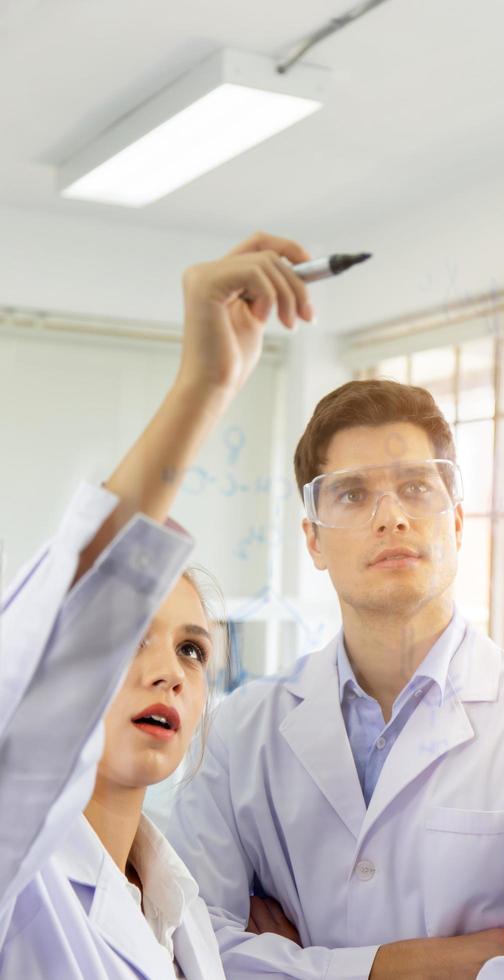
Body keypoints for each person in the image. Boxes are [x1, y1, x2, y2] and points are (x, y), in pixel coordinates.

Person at [168, 379, 504, 979]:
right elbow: (190, 951)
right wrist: (436, 961)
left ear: (458, 522)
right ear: (313, 540)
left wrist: (299, 963)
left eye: (415, 488)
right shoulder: (237, 733)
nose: (391, 517)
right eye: (353, 495)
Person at [0, 231, 316, 978]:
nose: (171, 674)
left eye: (193, 650)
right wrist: (203, 387)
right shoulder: (21, 878)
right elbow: (46, 675)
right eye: (130, 639)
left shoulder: (179, 909)